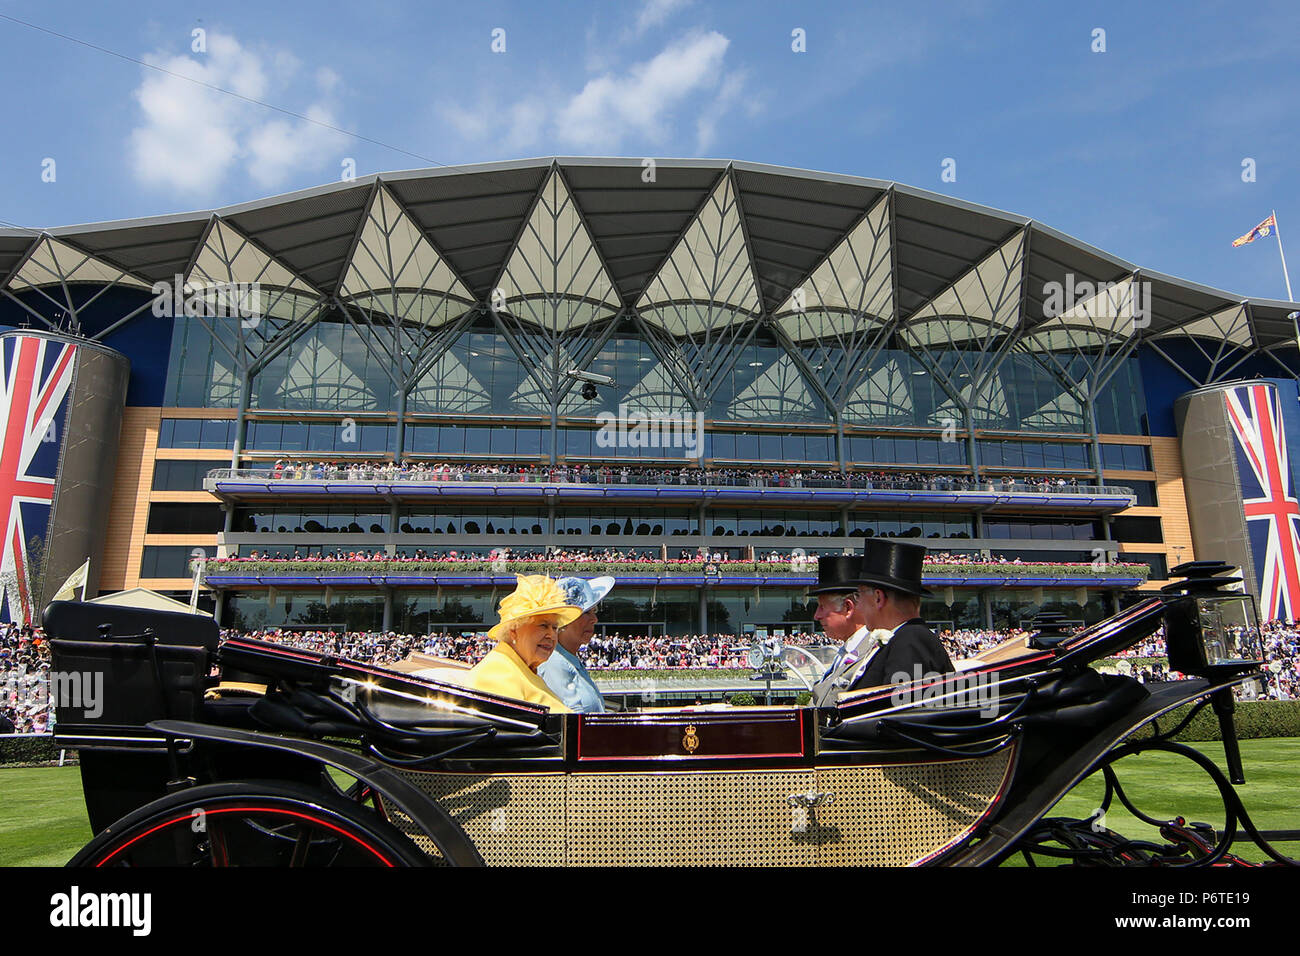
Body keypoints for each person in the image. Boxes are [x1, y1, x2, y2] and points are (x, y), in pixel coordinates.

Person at [843, 539, 952, 694]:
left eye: (858, 595)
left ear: (878, 598)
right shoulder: (905, 638)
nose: (858, 605)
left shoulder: (911, 640)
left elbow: (900, 711)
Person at [466, 575, 582, 712]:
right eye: (543, 625)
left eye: (555, 628)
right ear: (514, 630)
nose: (551, 635)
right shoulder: (497, 672)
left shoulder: (524, 669)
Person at [538, 576, 615, 713]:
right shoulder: (554, 662)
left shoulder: (569, 660)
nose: (594, 619)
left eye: (594, 612)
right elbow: (573, 723)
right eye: (586, 613)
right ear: (563, 621)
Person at [808, 555, 868, 707]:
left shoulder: (872, 652)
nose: (816, 616)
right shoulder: (848, 650)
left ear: (848, 608)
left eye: (822, 607)